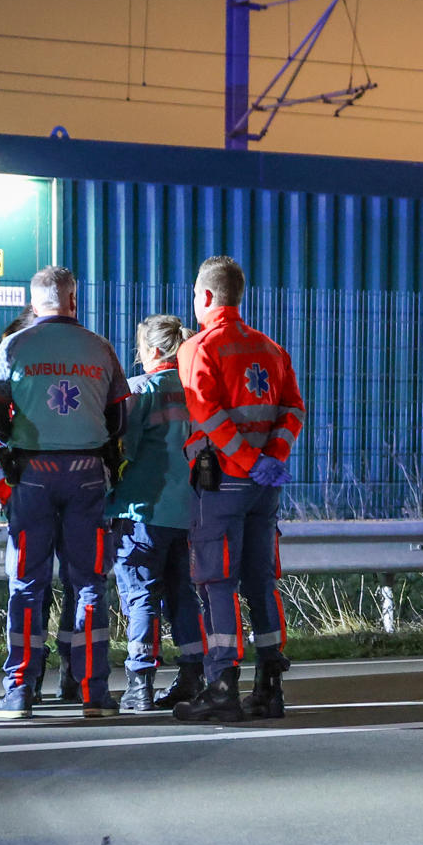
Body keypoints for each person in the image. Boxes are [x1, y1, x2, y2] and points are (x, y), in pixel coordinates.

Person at [0, 266, 129, 720]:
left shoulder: (15, 346)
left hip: (33, 476)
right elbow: (119, 419)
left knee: (27, 584)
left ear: (34, 300)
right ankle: (93, 693)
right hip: (87, 476)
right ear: (73, 300)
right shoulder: (100, 347)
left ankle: (20, 690)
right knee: (89, 585)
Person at [172, 256, 304, 723]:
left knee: (215, 583)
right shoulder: (270, 348)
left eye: (194, 296)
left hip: (224, 481)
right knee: (261, 581)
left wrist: (247, 463)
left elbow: (207, 414)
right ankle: (270, 684)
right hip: (265, 487)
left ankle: (222, 685)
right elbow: (294, 410)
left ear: (206, 297)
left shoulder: (199, 349)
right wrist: (274, 459)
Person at [0, 310, 85, 706]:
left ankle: (64, 675)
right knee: (42, 590)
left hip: (48, 491)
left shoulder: (54, 374)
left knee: (59, 586)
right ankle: (35, 677)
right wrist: (12, 495)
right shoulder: (5, 382)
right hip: (33, 494)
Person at [109, 315, 206, 712]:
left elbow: (121, 449)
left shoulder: (140, 390)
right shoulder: (194, 391)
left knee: (140, 595)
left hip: (142, 512)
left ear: (151, 351)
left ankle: (140, 684)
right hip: (189, 513)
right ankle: (192, 676)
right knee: (184, 596)